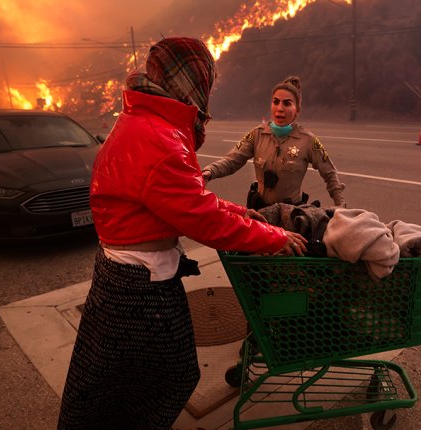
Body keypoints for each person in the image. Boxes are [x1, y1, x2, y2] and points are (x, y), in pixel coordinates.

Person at [57, 37, 307, 430]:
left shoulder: (141, 122)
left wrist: (247, 214)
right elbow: (203, 218)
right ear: (193, 82)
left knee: (111, 380)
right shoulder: (159, 140)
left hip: (123, 274)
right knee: (168, 376)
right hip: (139, 287)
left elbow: (190, 201)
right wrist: (273, 237)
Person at [201, 76, 346, 210]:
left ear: (297, 110)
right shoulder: (256, 134)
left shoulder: (308, 141)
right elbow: (232, 160)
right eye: (276, 102)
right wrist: (209, 172)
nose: (280, 108)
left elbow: (330, 174)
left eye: (287, 103)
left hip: (291, 215)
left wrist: (341, 206)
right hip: (260, 213)